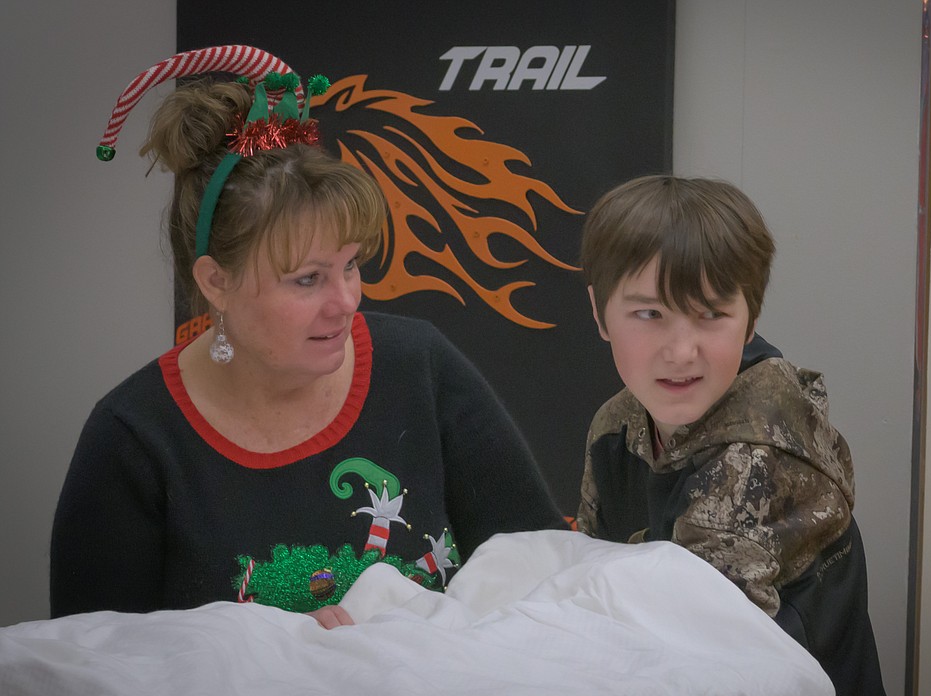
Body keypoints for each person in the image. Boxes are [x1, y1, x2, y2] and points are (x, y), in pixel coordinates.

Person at [52, 47, 565, 628]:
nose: (346, 301)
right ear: (216, 282)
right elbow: (87, 669)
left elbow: (545, 579)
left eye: (350, 266)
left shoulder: (419, 366)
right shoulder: (133, 439)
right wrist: (285, 658)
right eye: (308, 279)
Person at [575, 175, 887, 696]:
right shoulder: (616, 425)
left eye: (711, 314)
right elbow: (589, 584)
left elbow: (694, 662)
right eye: (649, 313)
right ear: (598, 312)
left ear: (750, 319)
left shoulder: (759, 453)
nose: (681, 351)